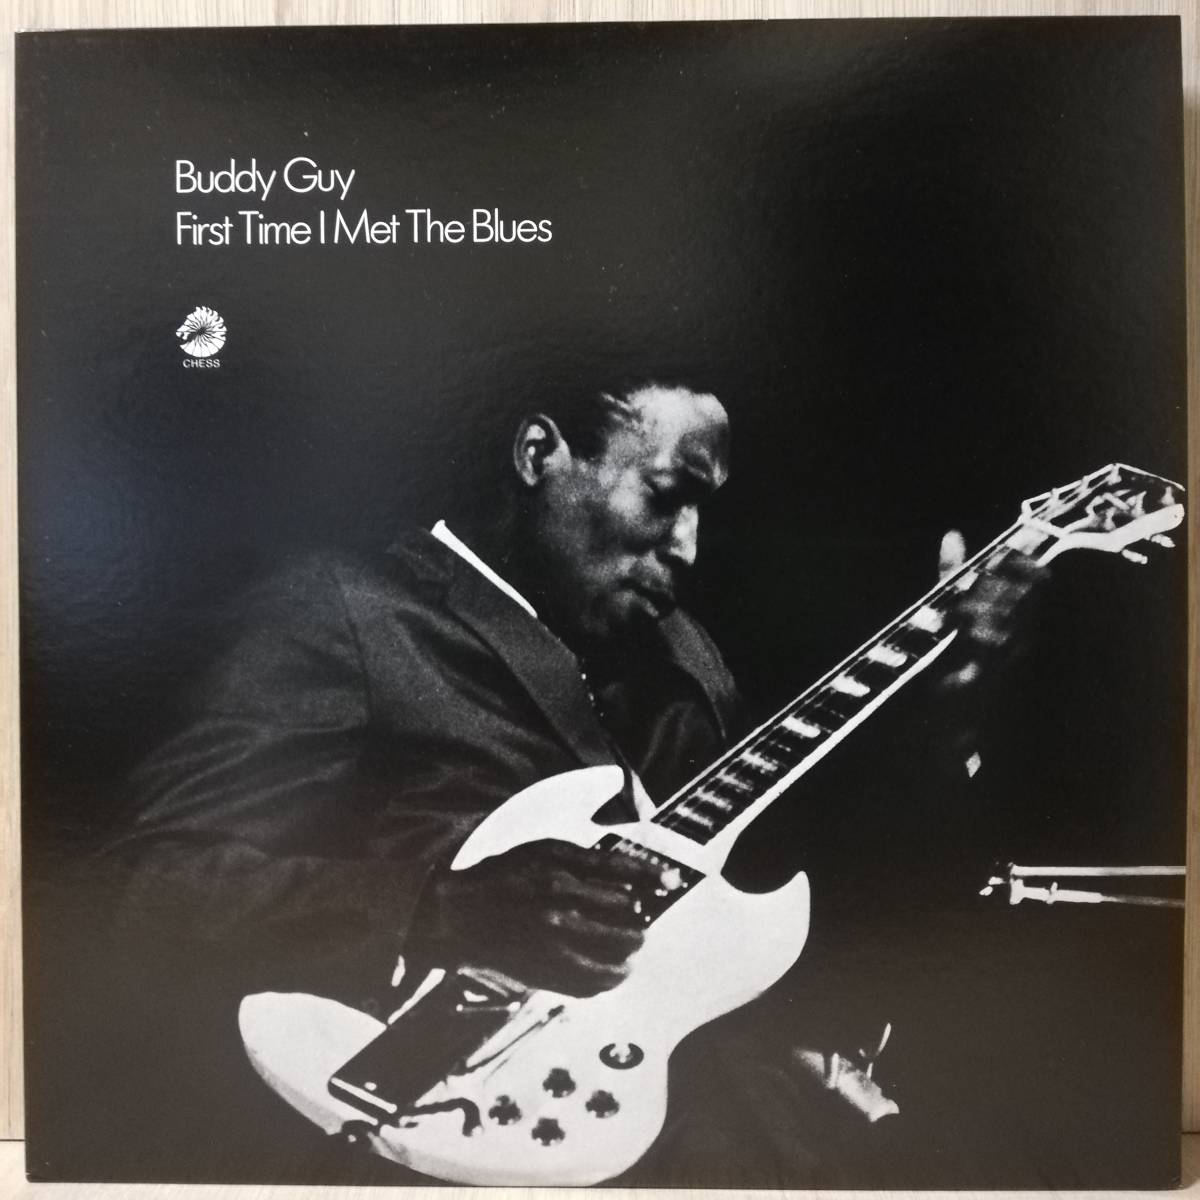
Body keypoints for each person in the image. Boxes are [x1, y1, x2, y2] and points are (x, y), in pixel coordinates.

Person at [105, 380, 1035, 1184]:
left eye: (704, 512)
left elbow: (831, 911)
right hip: (424, 1139)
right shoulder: (349, 613)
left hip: (720, 1135)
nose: (689, 547)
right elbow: (145, 890)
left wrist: (949, 712)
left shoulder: (683, 654)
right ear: (540, 454)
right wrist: (440, 907)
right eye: (666, 496)